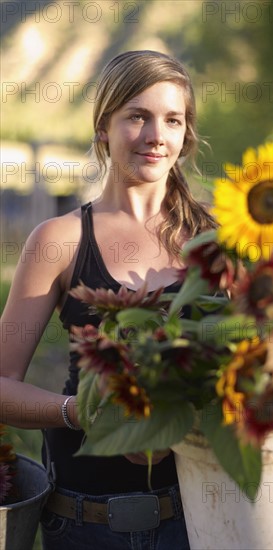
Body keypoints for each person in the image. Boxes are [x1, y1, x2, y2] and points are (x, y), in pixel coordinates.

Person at [0, 50, 217, 549]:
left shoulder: (215, 242)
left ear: (185, 135)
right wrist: (79, 411)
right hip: (87, 525)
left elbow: (258, 361)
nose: (155, 136)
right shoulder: (61, 239)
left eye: (172, 120)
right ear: (103, 128)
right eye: (137, 116)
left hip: (202, 520)